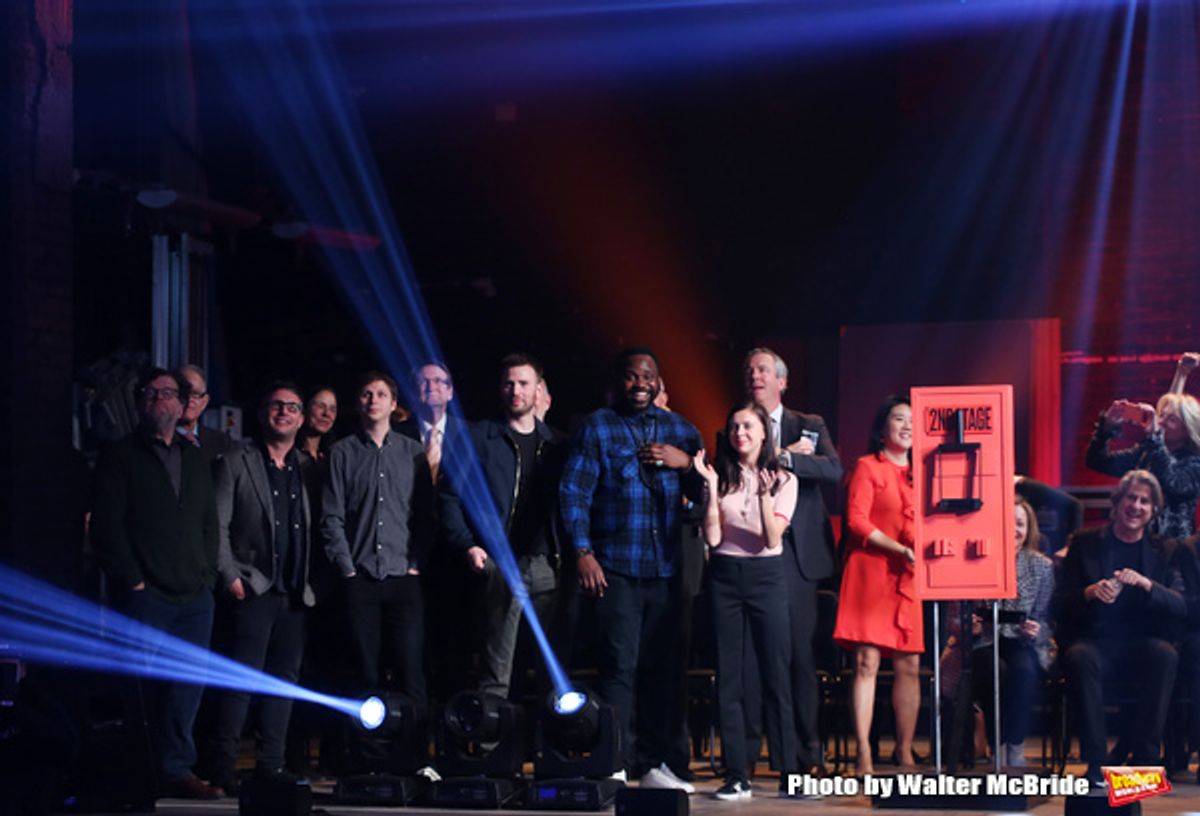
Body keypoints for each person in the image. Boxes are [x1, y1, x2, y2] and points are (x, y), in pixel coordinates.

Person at [559, 347, 704, 791]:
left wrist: (688, 467)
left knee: (665, 670)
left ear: (659, 382)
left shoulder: (682, 430)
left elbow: (707, 503)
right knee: (618, 667)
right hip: (616, 568)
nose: (639, 383)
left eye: (647, 377)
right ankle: (616, 759)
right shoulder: (598, 427)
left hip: (667, 571)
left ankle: (665, 763)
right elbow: (574, 492)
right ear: (618, 382)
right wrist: (583, 551)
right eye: (630, 377)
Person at [91, 367, 222, 799]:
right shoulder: (120, 455)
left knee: (187, 689)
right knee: (142, 687)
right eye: (152, 393)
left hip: (194, 593)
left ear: (181, 404)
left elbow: (208, 522)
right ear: (139, 401)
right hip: (147, 593)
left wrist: (206, 574)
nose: (160, 400)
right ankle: (139, 771)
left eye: (168, 393)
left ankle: (177, 769)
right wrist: (132, 580)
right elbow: (107, 526)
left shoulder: (195, 455)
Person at [439, 353, 567, 698]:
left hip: (546, 565)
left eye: (523, 383)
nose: (516, 390)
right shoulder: (481, 436)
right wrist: (468, 544)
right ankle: (491, 747)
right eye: (509, 383)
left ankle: (544, 749)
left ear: (538, 389)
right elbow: (449, 495)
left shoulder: (556, 443)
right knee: (497, 668)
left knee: (549, 670)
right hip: (499, 563)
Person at [210, 383, 316, 794]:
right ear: (262, 412)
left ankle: (269, 768)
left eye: (293, 407)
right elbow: (217, 526)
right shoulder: (236, 461)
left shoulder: (307, 467)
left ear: (301, 418)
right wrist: (229, 575)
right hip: (251, 589)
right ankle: (222, 770)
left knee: (282, 683)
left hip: (295, 594)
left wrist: (315, 586)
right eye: (277, 405)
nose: (285, 413)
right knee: (241, 682)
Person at [742, 347, 841, 775]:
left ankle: (807, 752)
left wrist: (785, 457)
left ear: (782, 381)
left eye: (763, 370)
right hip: (752, 549)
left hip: (798, 555)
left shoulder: (809, 424)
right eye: (749, 371)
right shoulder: (738, 425)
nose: (754, 376)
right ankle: (752, 754)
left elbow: (832, 470)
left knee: (800, 656)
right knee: (757, 657)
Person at [693, 403, 799, 801]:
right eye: (734, 426)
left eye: (748, 426)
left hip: (766, 577)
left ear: (762, 432)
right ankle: (737, 773)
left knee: (776, 673)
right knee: (730, 676)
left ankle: (790, 770)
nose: (740, 432)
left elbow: (772, 539)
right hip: (723, 577)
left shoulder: (784, 478)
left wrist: (763, 496)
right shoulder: (721, 477)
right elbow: (714, 539)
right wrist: (709, 489)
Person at [1054, 469, 1186, 784]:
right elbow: (1059, 603)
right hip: (1095, 640)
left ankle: (1144, 762)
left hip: (1143, 641)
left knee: (1165, 655)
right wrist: (1089, 592)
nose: (1136, 506)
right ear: (1118, 501)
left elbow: (1180, 604)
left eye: (1145, 501)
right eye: (1131, 497)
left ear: (1153, 511)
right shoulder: (1085, 542)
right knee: (1079, 657)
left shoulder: (1166, 549)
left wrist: (1146, 584)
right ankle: (1097, 763)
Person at [321, 371, 432, 704]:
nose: (373, 400)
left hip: (403, 575)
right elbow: (332, 516)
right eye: (367, 394)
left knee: (410, 671)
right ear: (358, 402)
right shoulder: (342, 453)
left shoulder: (413, 453)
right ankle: (367, 753)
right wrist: (347, 569)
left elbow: (426, 515)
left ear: (393, 404)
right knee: (365, 674)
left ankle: (413, 751)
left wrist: (416, 564)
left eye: (381, 394)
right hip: (361, 576)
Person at [832, 395, 921, 775]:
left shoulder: (924, 472)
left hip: (908, 575)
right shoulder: (868, 467)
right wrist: (898, 547)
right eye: (899, 419)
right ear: (882, 428)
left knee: (910, 665)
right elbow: (855, 521)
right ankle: (864, 751)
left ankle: (904, 750)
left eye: (913, 422)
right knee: (866, 663)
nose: (907, 426)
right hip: (871, 569)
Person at [942, 497, 1054, 768]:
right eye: (1008, 523)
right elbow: (954, 617)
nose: (1014, 530)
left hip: (1021, 642)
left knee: (1024, 672)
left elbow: (1047, 618)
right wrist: (969, 627)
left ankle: (1013, 744)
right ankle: (996, 744)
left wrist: (1037, 629)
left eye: (1020, 524)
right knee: (994, 672)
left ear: (1029, 530)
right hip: (981, 642)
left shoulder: (1041, 566)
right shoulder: (973, 561)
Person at [1086, 389, 1200, 540]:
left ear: (1187, 430)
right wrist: (1106, 429)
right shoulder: (1146, 452)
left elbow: (1172, 482)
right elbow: (1098, 461)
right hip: (1136, 543)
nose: (1161, 422)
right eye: (1162, 415)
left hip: (1173, 549)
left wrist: (1155, 439)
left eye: (1171, 419)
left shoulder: (1195, 463)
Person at [175, 364, 232, 464]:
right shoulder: (161, 440)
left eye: (195, 395)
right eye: (183, 393)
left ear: (204, 402)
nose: (189, 400)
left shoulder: (221, 441)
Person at [297, 387, 337, 462]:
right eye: (321, 406)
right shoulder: (289, 454)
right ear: (305, 408)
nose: (327, 413)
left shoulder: (333, 456)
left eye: (332, 409)